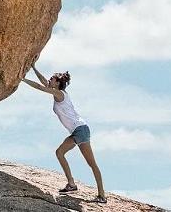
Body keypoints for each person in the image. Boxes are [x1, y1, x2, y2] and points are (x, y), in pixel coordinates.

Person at [22, 57, 107, 204]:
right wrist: (34, 67)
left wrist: (22, 79)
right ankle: (71, 184)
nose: (49, 80)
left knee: (92, 164)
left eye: (52, 79)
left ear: (58, 83)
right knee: (59, 152)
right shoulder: (57, 92)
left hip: (80, 130)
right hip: (76, 131)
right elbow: (44, 82)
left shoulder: (60, 94)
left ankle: (102, 196)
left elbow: (41, 87)